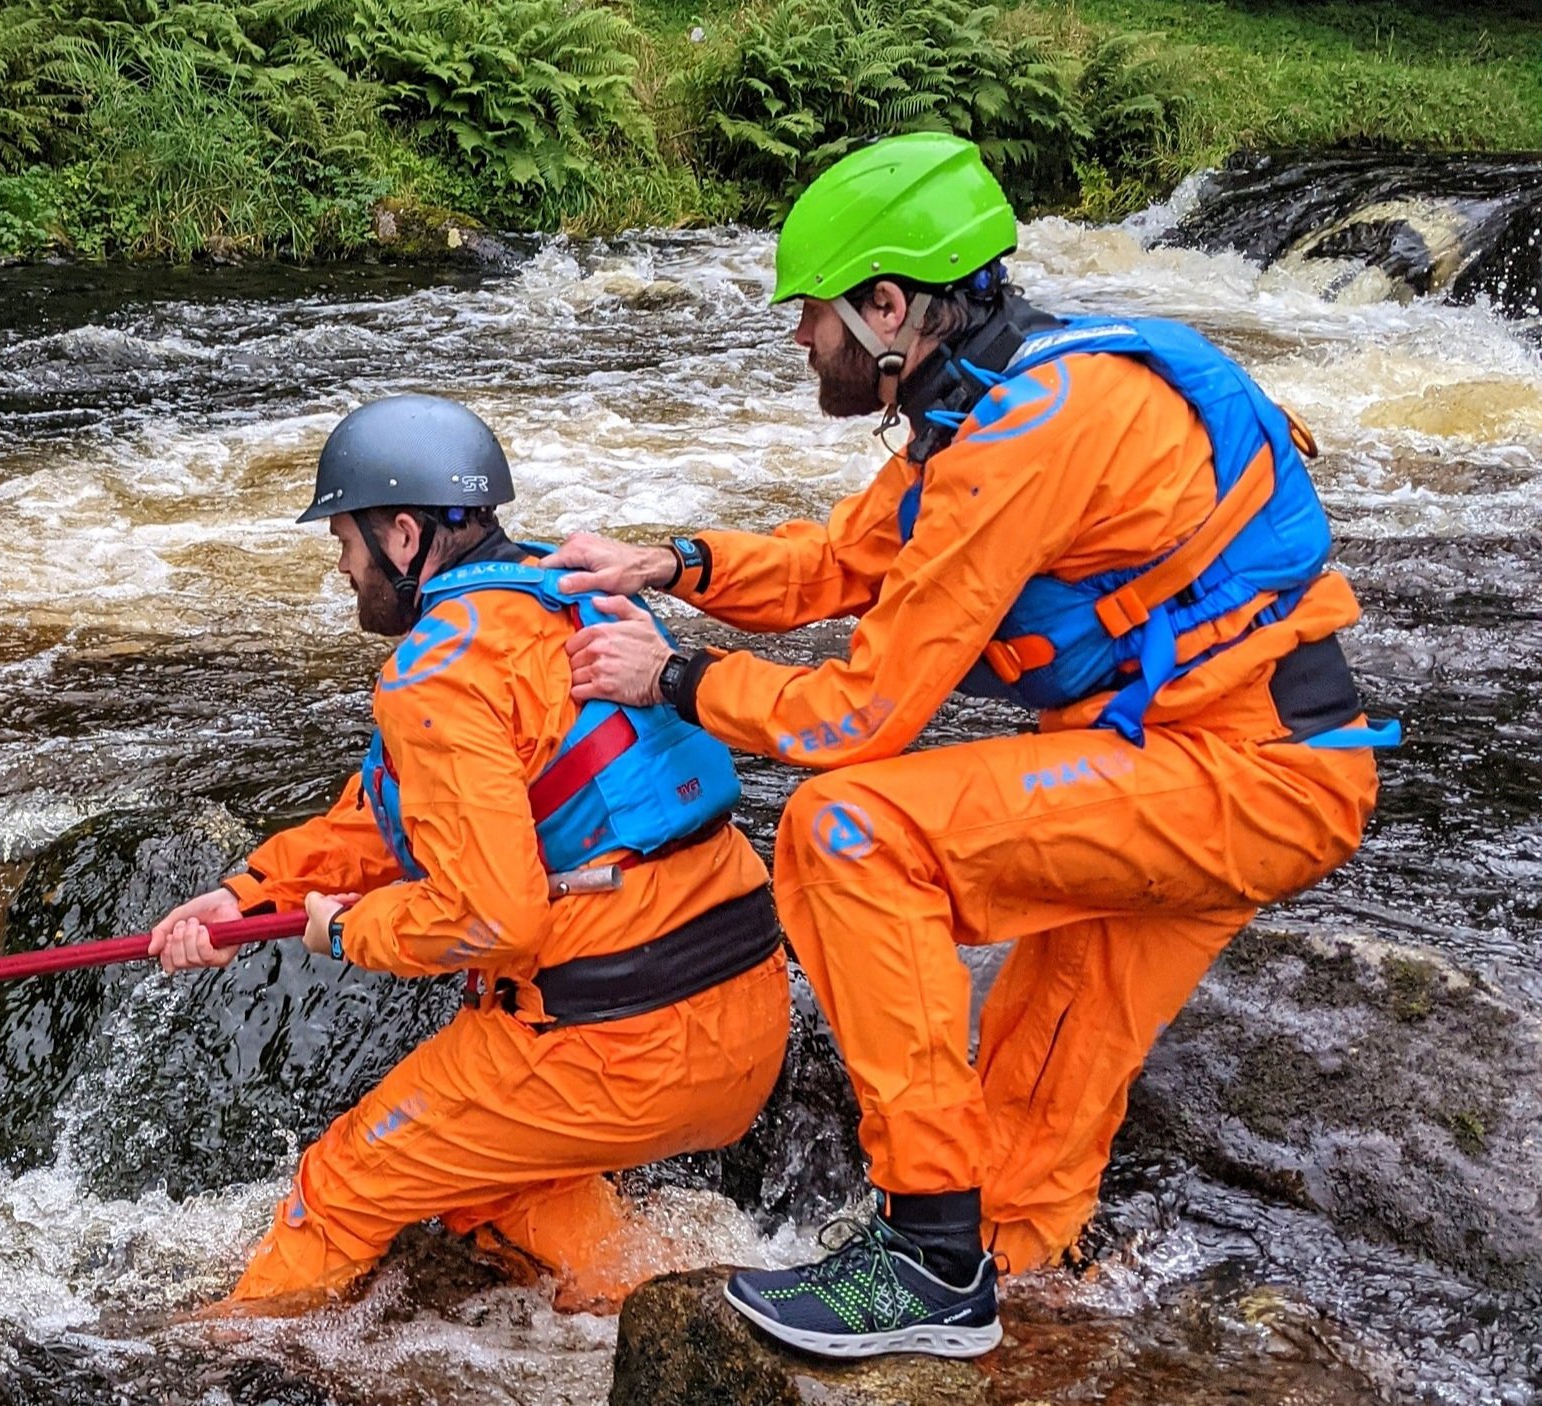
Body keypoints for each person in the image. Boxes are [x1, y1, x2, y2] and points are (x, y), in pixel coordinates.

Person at [546, 132, 1393, 1359]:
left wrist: (676, 675)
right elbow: (847, 558)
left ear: (888, 307)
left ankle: (928, 1263)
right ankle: (1016, 1302)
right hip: (1231, 766)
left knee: (851, 832)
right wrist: (671, 563)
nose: (801, 343)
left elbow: (859, 721)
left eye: (812, 316)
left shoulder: (1025, 433)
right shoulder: (1011, 398)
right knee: (1026, 1140)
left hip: (1239, 774)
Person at [148, 393, 793, 1314]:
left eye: (344, 544)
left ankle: (218, 1356)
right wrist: (248, 896)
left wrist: (343, 932)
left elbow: (490, 916)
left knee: (341, 1188)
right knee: (486, 1181)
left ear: (402, 536)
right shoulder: (561, 595)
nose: (343, 570)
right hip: (741, 1018)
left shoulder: (438, 675)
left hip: (607, 1043)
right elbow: (403, 816)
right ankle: (678, 1309)